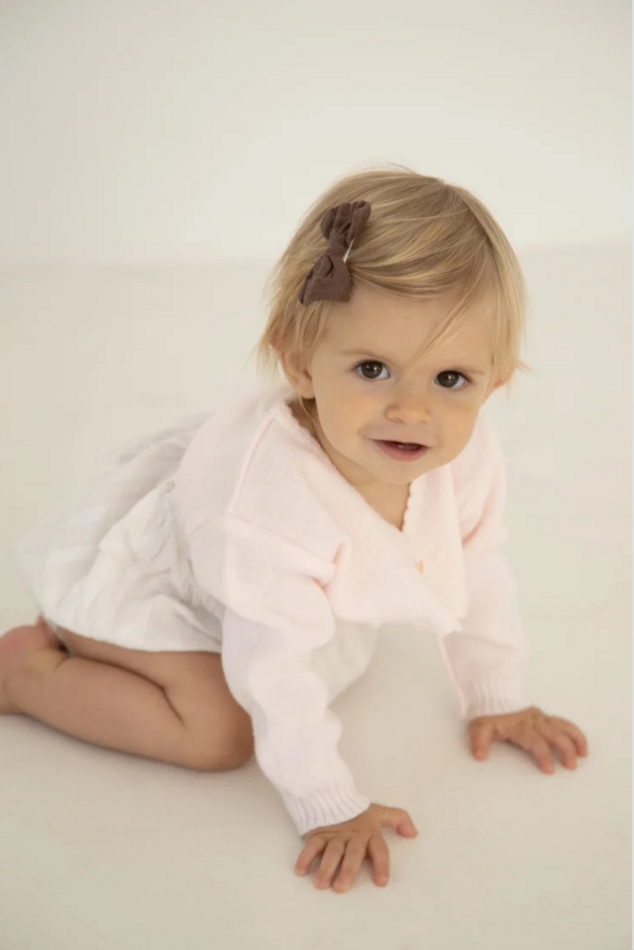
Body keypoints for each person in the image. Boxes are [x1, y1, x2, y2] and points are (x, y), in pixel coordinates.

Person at [0, 166, 589, 894]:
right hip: (153, 595)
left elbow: (477, 567)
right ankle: (29, 673)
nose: (413, 410)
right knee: (220, 733)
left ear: (493, 381)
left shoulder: (461, 457)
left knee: (341, 660)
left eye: (450, 380)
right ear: (301, 364)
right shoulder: (266, 507)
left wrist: (496, 692)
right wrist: (328, 803)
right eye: (373, 368)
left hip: (258, 596)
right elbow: (272, 670)